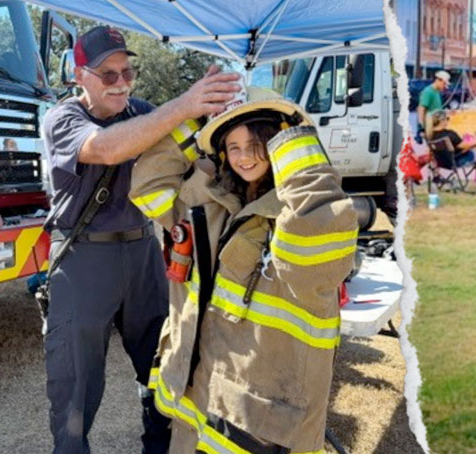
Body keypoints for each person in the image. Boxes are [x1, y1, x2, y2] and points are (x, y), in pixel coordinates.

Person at [40, 25, 239, 453]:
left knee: (163, 360)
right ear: (79, 76)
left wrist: (210, 109)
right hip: (83, 256)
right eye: (108, 74)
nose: (121, 83)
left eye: (127, 73)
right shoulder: (62, 119)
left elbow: (188, 146)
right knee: (74, 381)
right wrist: (183, 104)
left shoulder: (142, 111)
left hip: (142, 251)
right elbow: (106, 148)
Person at [131, 86, 357, 454]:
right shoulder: (211, 202)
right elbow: (147, 186)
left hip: (258, 417)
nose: (244, 157)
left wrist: (295, 139)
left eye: (257, 144)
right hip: (201, 394)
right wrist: (194, 116)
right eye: (233, 146)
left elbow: (315, 228)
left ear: (279, 143)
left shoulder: (298, 215)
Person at [426, 110, 476, 191]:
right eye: (447, 119)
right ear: (442, 121)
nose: (448, 121)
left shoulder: (430, 135)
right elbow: (464, 145)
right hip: (457, 161)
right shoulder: (449, 134)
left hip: (441, 163)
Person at [418, 70, 450, 140]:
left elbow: (437, 109)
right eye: (444, 83)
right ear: (438, 80)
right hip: (431, 126)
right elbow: (421, 108)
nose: (444, 86)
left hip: (437, 124)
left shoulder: (437, 92)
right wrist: (421, 126)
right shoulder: (428, 91)